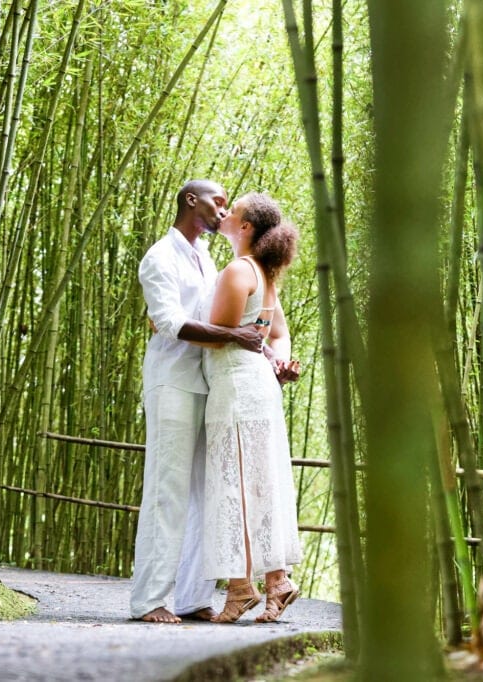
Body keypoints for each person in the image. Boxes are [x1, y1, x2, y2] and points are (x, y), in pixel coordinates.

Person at [131, 179, 264, 624]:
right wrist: (235, 336)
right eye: (218, 201)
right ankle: (150, 600)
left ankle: (192, 596)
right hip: (172, 381)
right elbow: (168, 322)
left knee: (207, 493)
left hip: (212, 384)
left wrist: (263, 351)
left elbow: (216, 316)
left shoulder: (208, 258)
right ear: (192, 201)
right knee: (166, 490)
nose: (224, 210)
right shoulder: (160, 257)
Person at [196, 193, 304, 623]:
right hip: (258, 384)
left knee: (236, 483)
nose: (224, 214)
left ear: (245, 227)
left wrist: (165, 325)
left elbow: (216, 332)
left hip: (237, 385)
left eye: (233, 211)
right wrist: (278, 362)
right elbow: (278, 333)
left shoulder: (239, 270)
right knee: (258, 482)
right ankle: (277, 582)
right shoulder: (264, 272)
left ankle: (241, 588)